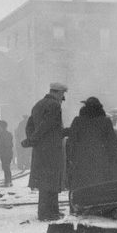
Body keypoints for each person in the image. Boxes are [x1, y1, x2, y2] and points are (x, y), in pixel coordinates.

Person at [22, 82, 68, 221]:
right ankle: (48, 213)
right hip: (51, 149)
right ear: (58, 93)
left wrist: (32, 140)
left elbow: (30, 125)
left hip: (40, 149)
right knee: (52, 180)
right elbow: (47, 125)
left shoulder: (38, 104)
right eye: (62, 95)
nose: (62, 98)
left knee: (44, 181)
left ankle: (49, 211)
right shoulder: (54, 105)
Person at [65, 96, 117, 192]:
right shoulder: (106, 121)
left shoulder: (78, 121)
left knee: (81, 191)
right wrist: (109, 160)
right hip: (101, 163)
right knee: (99, 191)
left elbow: (71, 142)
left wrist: (72, 159)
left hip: (81, 163)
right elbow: (113, 144)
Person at [0, 120, 14, 187]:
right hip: (9, 153)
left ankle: (7, 181)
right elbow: (11, 144)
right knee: (7, 167)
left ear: (1, 126)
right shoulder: (9, 134)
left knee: (5, 167)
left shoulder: (1, 134)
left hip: (4, 153)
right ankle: (9, 180)